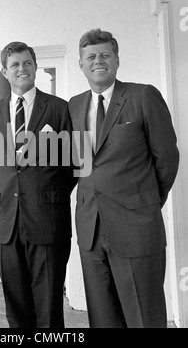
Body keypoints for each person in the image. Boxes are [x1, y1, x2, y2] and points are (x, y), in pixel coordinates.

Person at [68, 28, 179, 328]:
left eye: (105, 55)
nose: (98, 61)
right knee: (103, 319)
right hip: (90, 230)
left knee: (144, 318)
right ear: (81, 64)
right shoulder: (73, 105)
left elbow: (167, 160)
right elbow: (75, 164)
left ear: (117, 60)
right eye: (90, 56)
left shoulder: (143, 96)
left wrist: (146, 201)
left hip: (136, 228)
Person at [0, 41, 76, 328]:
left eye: (27, 63)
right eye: (15, 64)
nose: (21, 68)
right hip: (6, 223)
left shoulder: (61, 108)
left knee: (49, 307)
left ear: (35, 66)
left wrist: (47, 195)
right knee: (16, 305)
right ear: (4, 71)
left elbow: (75, 165)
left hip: (47, 220)